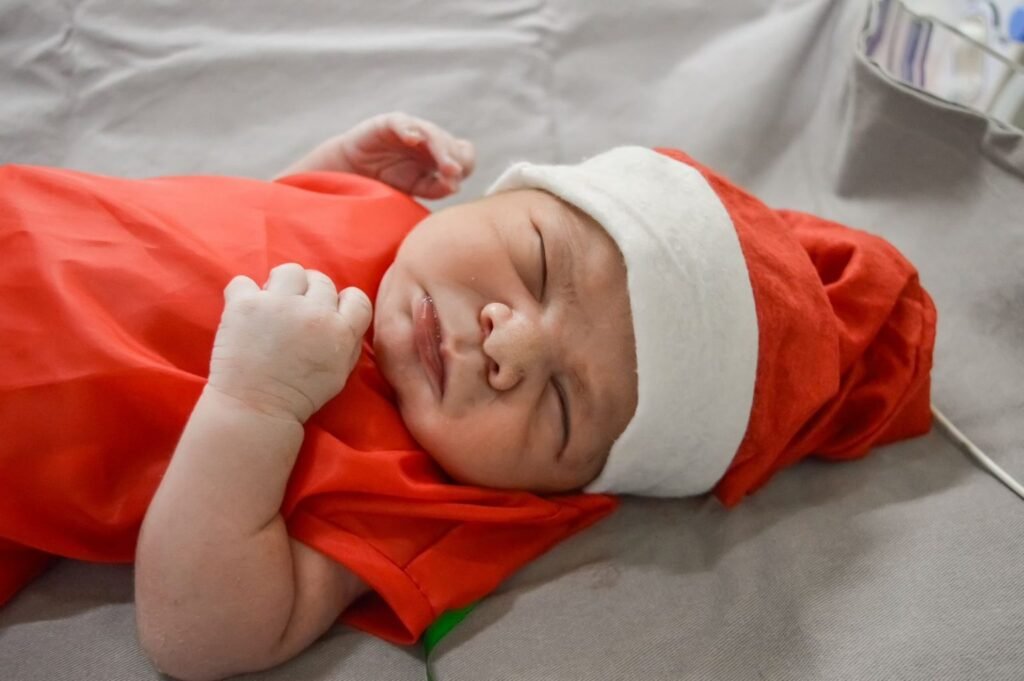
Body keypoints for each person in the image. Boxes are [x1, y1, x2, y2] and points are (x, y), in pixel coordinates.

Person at [0, 113, 936, 681]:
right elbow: (220, 244)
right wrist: (323, 180)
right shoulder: (399, 227)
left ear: (558, 491)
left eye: (561, 406)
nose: (509, 345)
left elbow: (199, 637)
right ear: (502, 194)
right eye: (537, 262)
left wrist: (254, 404)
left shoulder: (420, 499)